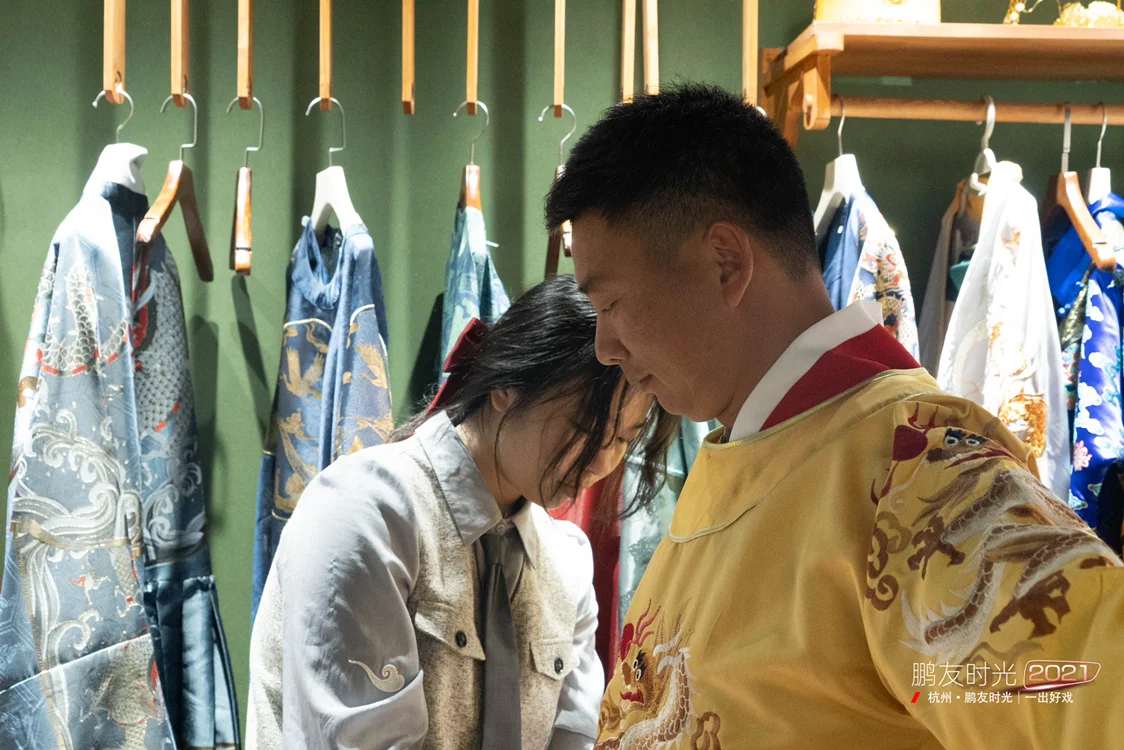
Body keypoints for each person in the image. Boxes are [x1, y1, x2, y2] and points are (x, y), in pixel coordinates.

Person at [545, 83, 1124, 749]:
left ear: (725, 263)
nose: (604, 347)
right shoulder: (753, 441)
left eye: (610, 304)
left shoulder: (919, 475)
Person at [245, 275, 679, 749]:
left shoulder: (567, 562)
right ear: (506, 387)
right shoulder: (368, 513)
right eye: (585, 427)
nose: (602, 462)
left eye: (623, 439)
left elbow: (575, 736)